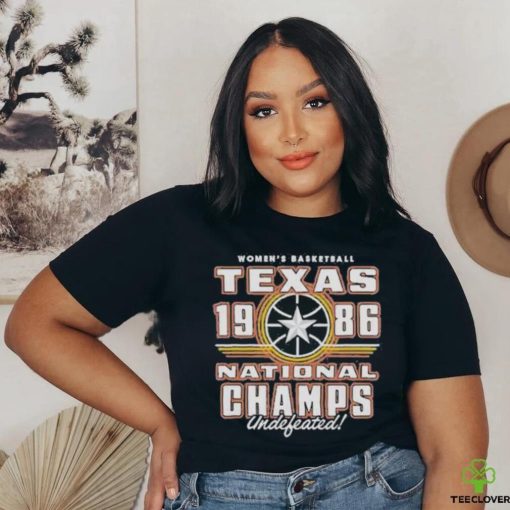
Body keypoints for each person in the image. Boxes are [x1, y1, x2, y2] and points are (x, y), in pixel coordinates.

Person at [4, 16, 489, 510]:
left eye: (315, 102)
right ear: (238, 124)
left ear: (351, 111)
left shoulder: (411, 251)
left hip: (376, 490)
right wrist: (157, 421)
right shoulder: (175, 224)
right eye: (263, 111)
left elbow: (463, 457)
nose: (292, 133)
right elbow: (35, 325)